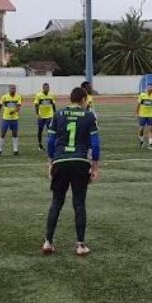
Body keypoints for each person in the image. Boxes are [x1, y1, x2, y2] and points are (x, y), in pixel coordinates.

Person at [42, 87, 100, 256]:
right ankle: (80, 245)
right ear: (83, 100)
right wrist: (95, 166)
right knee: (79, 203)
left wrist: (50, 162)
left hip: (60, 161)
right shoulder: (89, 116)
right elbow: (95, 144)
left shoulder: (58, 114)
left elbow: (51, 141)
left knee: (56, 202)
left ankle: (48, 242)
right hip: (80, 162)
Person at [0, 85, 22, 156]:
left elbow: (19, 107)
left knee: (15, 133)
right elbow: (0, 106)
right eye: (12, 88)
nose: (13, 90)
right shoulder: (4, 97)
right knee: (3, 133)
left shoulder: (18, 97)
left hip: (14, 118)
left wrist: (14, 111)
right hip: (6, 118)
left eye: (14, 88)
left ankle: (15, 149)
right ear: (9, 89)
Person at [136, 83, 152, 149]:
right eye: (149, 87)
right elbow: (138, 105)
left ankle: (150, 144)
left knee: (150, 130)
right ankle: (141, 141)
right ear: (147, 88)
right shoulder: (142, 95)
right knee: (141, 130)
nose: (150, 89)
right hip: (142, 115)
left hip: (150, 115)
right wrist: (137, 113)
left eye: (151, 88)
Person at [34, 83, 56, 151]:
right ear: (43, 88)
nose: (47, 89)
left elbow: (53, 104)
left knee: (50, 130)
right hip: (41, 115)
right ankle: (40, 145)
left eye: (48, 87)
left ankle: (50, 144)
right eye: (46, 87)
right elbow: (36, 105)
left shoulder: (51, 95)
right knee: (40, 130)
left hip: (49, 115)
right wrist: (38, 114)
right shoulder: (38, 95)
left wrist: (55, 112)